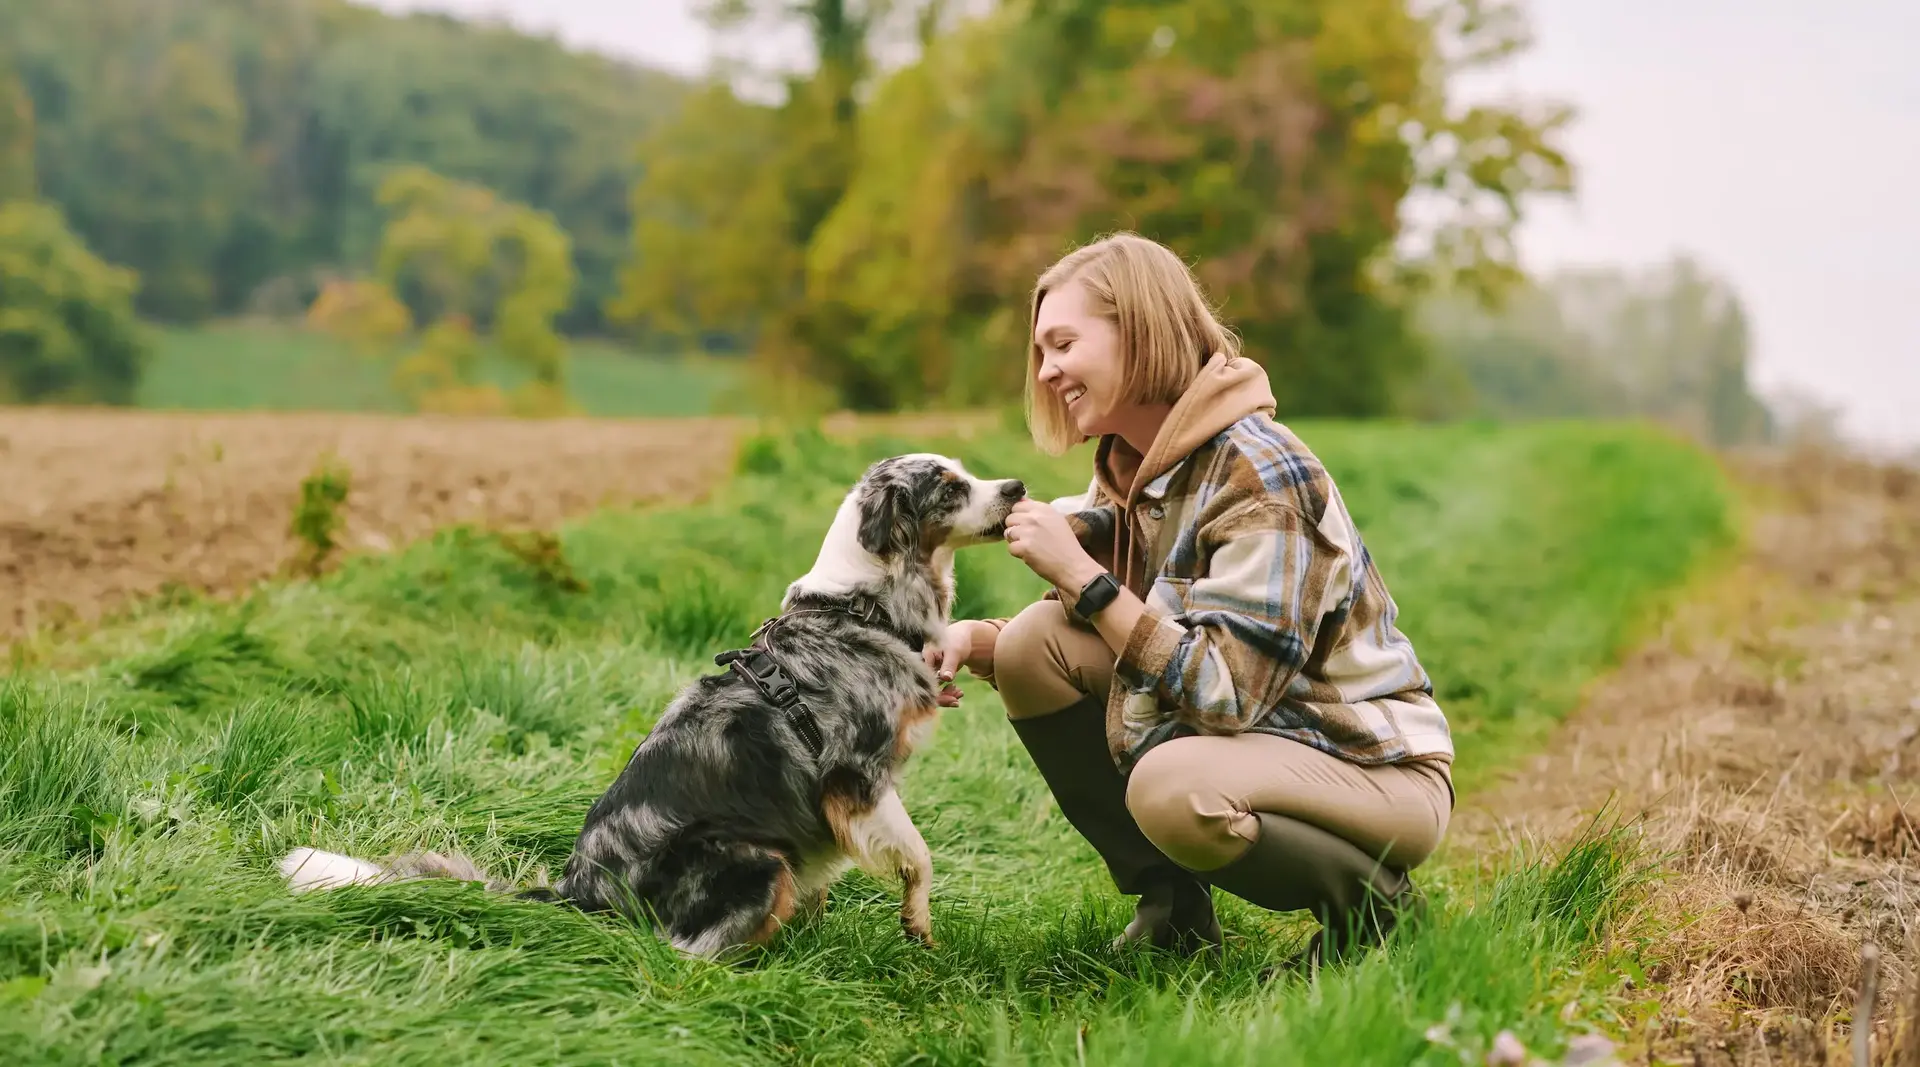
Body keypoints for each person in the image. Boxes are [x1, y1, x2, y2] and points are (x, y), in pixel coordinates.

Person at [924, 232, 1455, 969]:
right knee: (1028, 648)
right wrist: (979, 642)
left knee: (1173, 789)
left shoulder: (1262, 473)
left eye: (1063, 343)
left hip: (1372, 765)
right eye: (1040, 351)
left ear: (1138, 332)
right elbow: (1146, 625)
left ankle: (1379, 921)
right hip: (1281, 734)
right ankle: (1173, 910)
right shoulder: (1138, 468)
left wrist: (1082, 575)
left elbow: (1224, 692)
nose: (1047, 371)